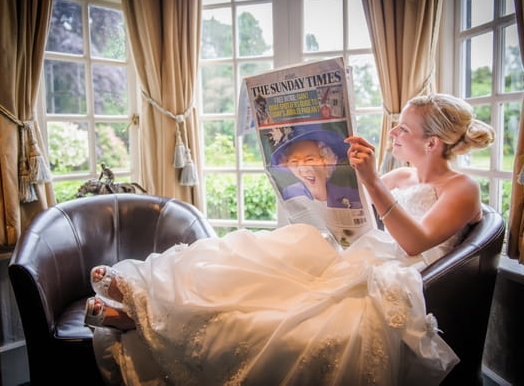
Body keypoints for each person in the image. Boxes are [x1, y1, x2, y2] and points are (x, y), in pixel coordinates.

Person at [86, 93, 494, 386]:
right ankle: (142, 297)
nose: (393, 135)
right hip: (362, 250)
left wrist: (369, 179)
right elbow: (353, 214)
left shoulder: (462, 189)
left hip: (396, 272)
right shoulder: (403, 176)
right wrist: (314, 177)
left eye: (402, 129)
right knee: (263, 251)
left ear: (432, 143)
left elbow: (413, 243)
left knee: (272, 308)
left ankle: (140, 318)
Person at [270, 126, 363, 209]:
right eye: (294, 161)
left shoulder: (352, 194)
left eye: (310, 159)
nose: (303, 168)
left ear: (327, 161)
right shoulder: (289, 193)